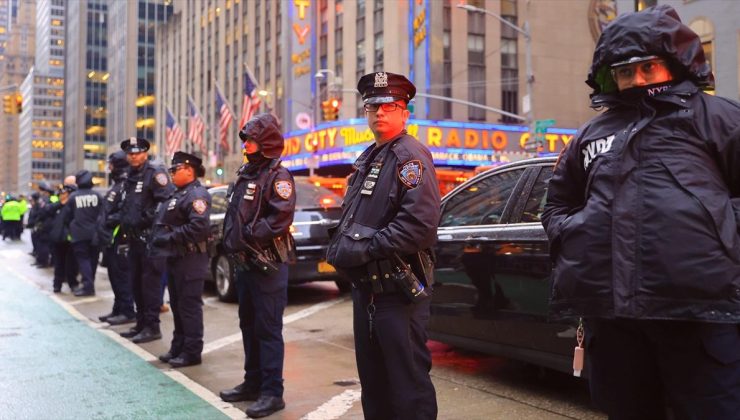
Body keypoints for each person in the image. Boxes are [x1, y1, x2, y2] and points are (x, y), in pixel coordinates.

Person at [542, 5, 740, 419]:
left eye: (648, 68)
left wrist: (721, 234)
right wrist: (575, 230)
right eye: (625, 72)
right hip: (611, 319)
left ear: (675, 63)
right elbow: (558, 202)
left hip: (700, 314)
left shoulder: (719, 119)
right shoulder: (590, 135)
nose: (637, 80)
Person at [325, 72, 440, 420]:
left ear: (405, 113)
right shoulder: (372, 157)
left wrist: (364, 248)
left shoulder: (411, 156)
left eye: (390, 106)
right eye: (372, 106)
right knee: (374, 384)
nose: (379, 113)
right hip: (369, 291)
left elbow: (418, 225)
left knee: (408, 387)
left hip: (397, 292)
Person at [219, 113, 296, 418]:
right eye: (246, 140)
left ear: (264, 143)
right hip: (245, 265)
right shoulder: (246, 174)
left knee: (267, 329)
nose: (246, 146)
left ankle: (272, 392)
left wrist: (250, 235)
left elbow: (279, 218)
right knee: (248, 326)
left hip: (267, 266)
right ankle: (252, 383)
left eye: (250, 140)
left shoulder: (279, 176)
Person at [151, 151, 211, 368]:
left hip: (191, 257)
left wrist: (169, 237)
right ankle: (179, 345)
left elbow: (198, 226)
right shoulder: (179, 194)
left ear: (189, 170)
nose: (172, 173)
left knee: (189, 306)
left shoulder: (196, 194)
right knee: (177, 304)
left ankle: (192, 351)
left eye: (175, 170)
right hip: (176, 256)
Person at [115, 137, 174, 343]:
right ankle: (141, 323)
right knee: (136, 284)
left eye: (137, 152)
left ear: (145, 153)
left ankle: (152, 326)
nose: (133, 156)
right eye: (130, 153)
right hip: (134, 240)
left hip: (150, 239)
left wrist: (145, 220)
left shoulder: (155, 174)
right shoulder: (129, 176)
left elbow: (165, 202)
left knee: (150, 286)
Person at [98, 151, 136, 325]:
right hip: (110, 239)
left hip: (120, 239)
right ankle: (118, 308)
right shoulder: (118, 184)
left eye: (111, 164)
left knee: (122, 276)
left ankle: (127, 310)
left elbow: (126, 209)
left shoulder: (126, 184)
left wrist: (111, 220)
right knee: (114, 275)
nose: (109, 167)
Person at [64, 170, 102, 297]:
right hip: (95, 234)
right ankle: (90, 284)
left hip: (79, 234)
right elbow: (103, 214)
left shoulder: (73, 197)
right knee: (93, 261)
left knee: (83, 260)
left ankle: (88, 287)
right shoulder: (97, 196)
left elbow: (67, 216)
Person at [47, 178, 79, 293]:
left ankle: (73, 284)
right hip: (57, 238)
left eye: (64, 193)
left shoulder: (74, 204)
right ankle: (57, 284)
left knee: (71, 264)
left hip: (70, 238)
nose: (62, 195)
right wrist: (60, 203)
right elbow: (47, 210)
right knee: (58, 263)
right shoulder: (57, 204)